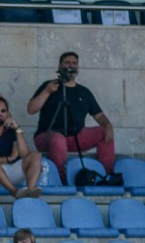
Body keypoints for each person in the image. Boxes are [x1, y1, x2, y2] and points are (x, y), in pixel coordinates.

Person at [28, 52, 115, 182]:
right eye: (67, 62)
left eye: (74, 63)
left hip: (77, 136)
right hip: (47, 136)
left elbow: (99, 115)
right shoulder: (50, 86)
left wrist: (108, 125)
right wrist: (47, 91)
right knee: (58, 140)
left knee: (105, 132)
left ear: (78, 68)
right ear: (60, 65)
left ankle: (106, 176)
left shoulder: (84, 92)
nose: (71, 65)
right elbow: (31, 109)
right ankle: (61, 181)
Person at [0, 96, 42, 199]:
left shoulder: (11, 130)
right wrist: (9, 158)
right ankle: (14, 191)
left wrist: (17, 129)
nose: (0, 114)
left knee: (36, 155)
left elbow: (24, 154)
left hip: (10, 171)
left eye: (3, 111)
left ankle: (29, 192)